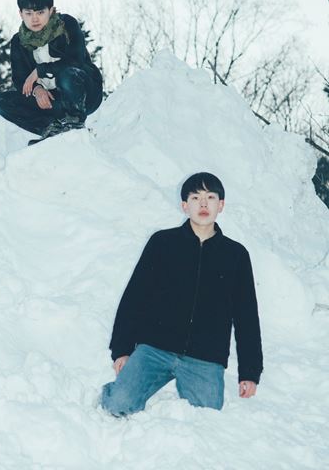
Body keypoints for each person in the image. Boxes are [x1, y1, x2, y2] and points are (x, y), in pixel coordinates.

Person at [101, 172, 263, 415]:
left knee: (207, 418)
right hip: (154, 349)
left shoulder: (236, 255)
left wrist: (250, 372)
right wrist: (122, 349)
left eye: (210, 197)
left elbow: (246, 316)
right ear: (185, 205)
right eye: (196, 198)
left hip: (205, 358)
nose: (203, 204)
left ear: (221, 205)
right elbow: (135, 297)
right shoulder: (162, 243)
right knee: (118, 404)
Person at [0, 0, 103, 144]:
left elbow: (76, 61)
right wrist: (37, 89)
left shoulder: (67, 25)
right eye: (29, 13)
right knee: (3, 101)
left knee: (67, 73)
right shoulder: (18, 42)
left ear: (51, 11)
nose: (35, 19)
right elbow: (20, 79)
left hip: (84, 94)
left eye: (40, 12)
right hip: (53, 101)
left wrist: (40, 71)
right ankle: (52, 129)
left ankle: (74, 123)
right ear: (20, 14)